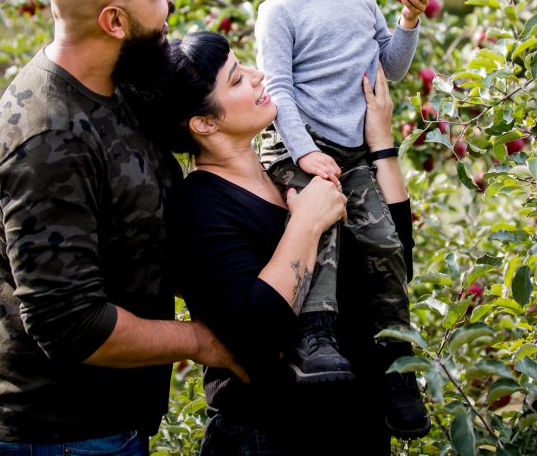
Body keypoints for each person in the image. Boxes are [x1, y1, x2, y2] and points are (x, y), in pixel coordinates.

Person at [0, 0, 246, 456]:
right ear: (115, 22)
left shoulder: (117, 86)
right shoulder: (48, 139)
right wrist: (203, 342)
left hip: (108, 429)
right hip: (62, 438)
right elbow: (70, 324)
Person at [149, 31, 423, 454]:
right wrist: (306, 225)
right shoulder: (200, 205)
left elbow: (396, 262)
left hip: (358, 429)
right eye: (237, 79)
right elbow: (255, 334)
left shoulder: (291, 172)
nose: (259, 77)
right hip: (270, 436)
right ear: (204, 123)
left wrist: (381, 146)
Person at [253, 0, 431, 436]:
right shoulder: (279, 12)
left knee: (385, 243)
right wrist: (305, 154)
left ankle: (397, 359)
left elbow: (391, 68)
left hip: (353, 155)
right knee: (322, 229)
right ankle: (317, 338)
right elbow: (278, 90)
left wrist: (407, 20)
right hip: (299, 148)